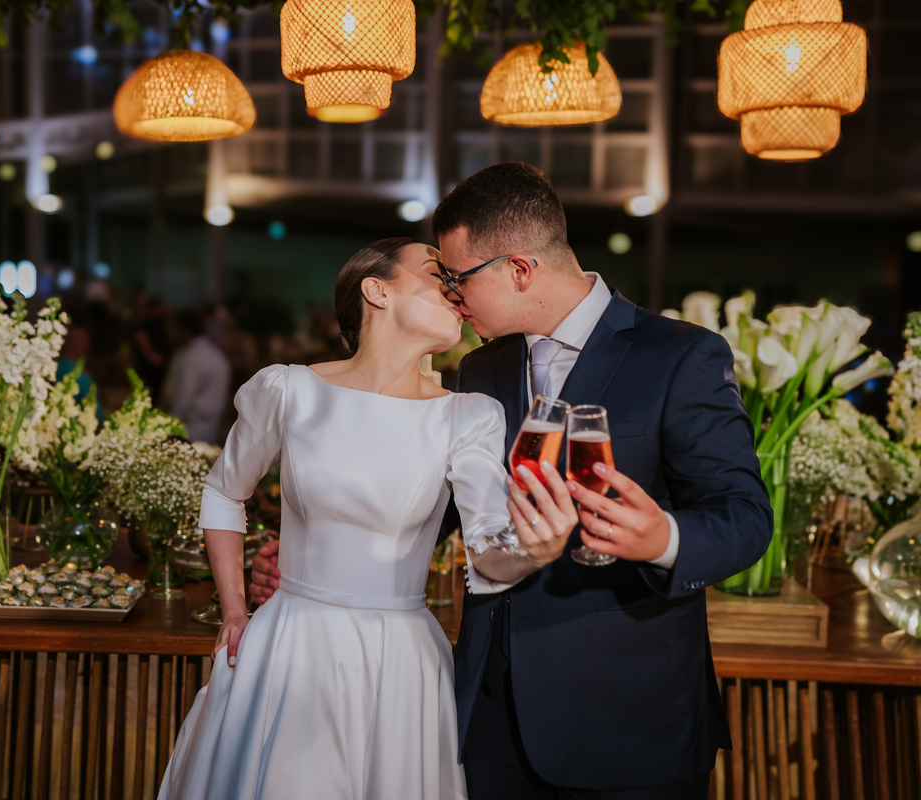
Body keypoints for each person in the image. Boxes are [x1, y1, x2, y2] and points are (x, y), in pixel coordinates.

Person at [252, 163, 773, 799]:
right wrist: (325, 550)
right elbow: (445, 501)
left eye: (458, 278)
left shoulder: (682, 356)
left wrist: (662, 538)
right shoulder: (481, 368)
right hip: (491, 711)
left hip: (625, 718)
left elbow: (744, 516)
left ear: (519, 269)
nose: (452, 296)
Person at [158, 238, 580, 800]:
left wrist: (533, 551)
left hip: (399, 658)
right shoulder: (288, 390)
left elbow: (487, 550)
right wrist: (234, 609)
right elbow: (222, 492)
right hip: (290, 646)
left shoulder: (468, 416)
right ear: (377, 291)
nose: (455, 290)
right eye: (438, 274)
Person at [163, 308, 232, 444]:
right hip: (211, 431)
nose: (171, 333)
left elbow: (183, 397)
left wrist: (169, 427)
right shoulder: (218, 356)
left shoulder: (191, 356)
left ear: (185, 330)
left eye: (174, 328)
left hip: (188, 431)